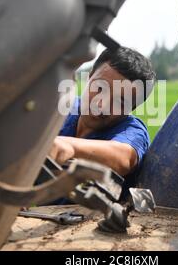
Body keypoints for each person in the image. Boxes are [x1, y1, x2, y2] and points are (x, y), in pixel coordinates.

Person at [50, 47, 155, 186]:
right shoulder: (64, 108)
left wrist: (68, 147)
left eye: (120, 102)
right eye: (99, 88)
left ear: (132, 108)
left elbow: (123, 158)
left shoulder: (132, 131)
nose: (101, 105)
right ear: (89, 76)